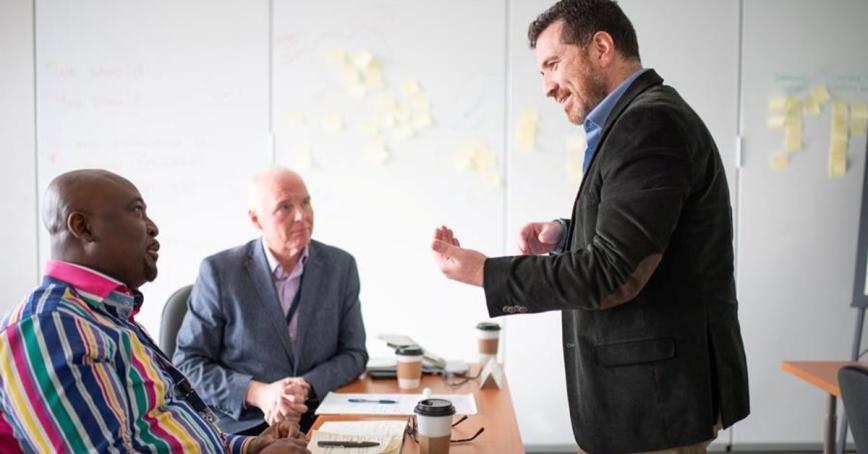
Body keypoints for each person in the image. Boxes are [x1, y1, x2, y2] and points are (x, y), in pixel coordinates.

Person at [430, 1, 749, 452]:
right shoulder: (635, 120)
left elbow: (612, 272)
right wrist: (566, 232)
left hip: (656, 402)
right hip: (649, 400)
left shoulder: (649, 123)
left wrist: (486, 272)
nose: (547, 88)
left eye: (553, 65)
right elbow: (647, 237)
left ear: (601, 47)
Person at [0, 169, 309, 453]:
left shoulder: (107, 315)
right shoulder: (50, 327)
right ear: (83, 227)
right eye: (137, 211)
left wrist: (250, 447)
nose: (153, 227)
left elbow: (164, 432)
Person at [173, 167, 368, 435]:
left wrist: (306, 386)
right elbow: (187, 364)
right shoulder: (220, 272)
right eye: (285, 207)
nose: (301, 216)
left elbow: (354, 354)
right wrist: (258, 393)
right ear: (256, 219)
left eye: (306, 202)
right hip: (244, 427)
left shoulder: (340, 266)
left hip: (318, 417)